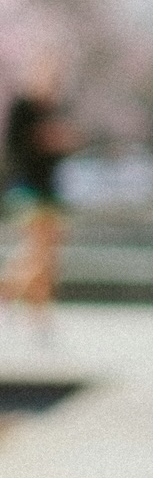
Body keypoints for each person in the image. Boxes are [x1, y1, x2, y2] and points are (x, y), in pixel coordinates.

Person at [2, 56, 77, 324]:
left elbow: (61, 149)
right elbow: (19, 147)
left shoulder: (55, 109)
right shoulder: (23, 108)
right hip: (26, 187)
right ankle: (6, 296)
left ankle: (39, 313)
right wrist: (46, 140)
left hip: (50, 190)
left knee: (49, 255)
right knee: (39, 252)